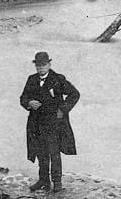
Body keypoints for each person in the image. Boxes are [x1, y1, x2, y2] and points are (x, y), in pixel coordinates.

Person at [20, 51, 80, 193]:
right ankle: (43, 180)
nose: (41, 68)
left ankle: (57, 181)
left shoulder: (57, 79)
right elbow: (23, 98)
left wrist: (63, 110)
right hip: (36, 123)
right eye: (38, 66)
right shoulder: (31, 79)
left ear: (49, 64)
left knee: (54, 152)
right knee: (41, 152)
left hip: (54, 123)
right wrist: (29, 102)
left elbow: (74, 94)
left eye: (44, 65)